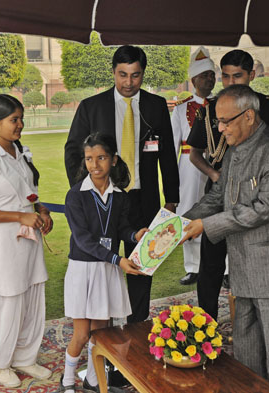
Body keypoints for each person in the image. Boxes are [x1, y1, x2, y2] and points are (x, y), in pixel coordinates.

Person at [182, 84, 269, 393]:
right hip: (244, 269)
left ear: (249, 116)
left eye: (226, 121)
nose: (220, 128)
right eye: (218, 122)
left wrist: (205, 225)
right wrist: (175, 225)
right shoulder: (236, 151)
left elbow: (261, 210)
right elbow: (217, 197)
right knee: (247, 358)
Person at [64, 45, 179, 324]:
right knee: (105, 263)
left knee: (142, 266)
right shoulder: (92, 107)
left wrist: (172, 198)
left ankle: (137, 325)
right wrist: (88, 191)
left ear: (143, 74)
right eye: (123, 75)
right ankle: (105, 330)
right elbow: (72, 151)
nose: (129, 83)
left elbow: (167, 154)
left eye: (136, 75)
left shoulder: (156, 105)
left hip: (144, 198)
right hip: (105, 200)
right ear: (113, 72)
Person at [187, 49, 269, 320]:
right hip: (219, 195)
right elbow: (195, 153)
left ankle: (255, 321)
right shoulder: (209, 110)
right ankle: (206, 326)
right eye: (225, 76)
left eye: (238, 76)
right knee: (210, 265)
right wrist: (213, 174)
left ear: (251, 75)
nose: (231, 82)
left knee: (254, 263)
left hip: (256, 199)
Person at [0, 94, 52, 388]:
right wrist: (20, 217)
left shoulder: (21, 153)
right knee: (8, 301)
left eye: (21, 119)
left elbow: (29, 195)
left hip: (29, 240)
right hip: (3, 242)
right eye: (13, 120)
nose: (20, 125)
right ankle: (1, 361)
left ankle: (25, 356)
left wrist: (40, 211)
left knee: (32, 295)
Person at [59, 133, 146, 393]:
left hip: (108, 268)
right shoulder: (75, 196)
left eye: (101, 158)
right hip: (84, 269)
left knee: (101, 334)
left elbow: (121, 228)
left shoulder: (120, 196)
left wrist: (134, 235)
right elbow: (83, 240)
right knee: (82, 334)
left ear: (113, 159)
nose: (95, 165)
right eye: (89, 159)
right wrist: (117, 259)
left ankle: (94, 382)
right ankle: (66, 382)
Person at [170, 46, 214, 285]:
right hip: (188, 166)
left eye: (212, 75)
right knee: (187, 212)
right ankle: (193, 267)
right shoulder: (181, 109)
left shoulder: (221, 104)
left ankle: (224, 268)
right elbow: (173, 146)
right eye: (205, 75)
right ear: (194, 79)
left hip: (216, 163)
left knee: (218, 213)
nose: (210, 79)